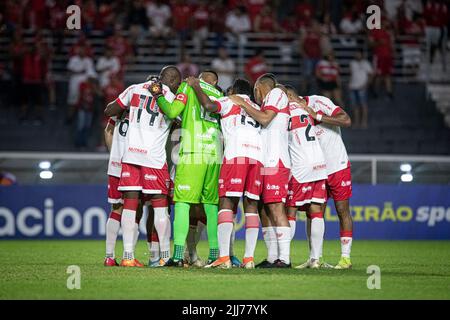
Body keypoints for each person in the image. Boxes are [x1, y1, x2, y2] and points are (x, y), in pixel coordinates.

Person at [104, 66, 181, 267]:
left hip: (130, 156)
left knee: (129, 205)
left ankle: (127, 257)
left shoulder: (134, 89)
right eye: (178, 83)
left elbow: (109, 110)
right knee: (160, 207)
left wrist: (127, 107)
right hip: (154, 159)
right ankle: (164, 256)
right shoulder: (171, 97)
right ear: (172, 81)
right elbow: (179, 123)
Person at [149, 70, 224, 267]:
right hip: (215, 154)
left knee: (182, 202)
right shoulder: (220, 95)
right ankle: (216, 254)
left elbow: (173, 111)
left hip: (193, 151)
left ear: (199, 78)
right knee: (211, 204)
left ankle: (178, 255)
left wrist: (158, 96)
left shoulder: (189, 86)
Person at [187, 78, 263, 269]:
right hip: (257, 157)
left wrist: (196, 85)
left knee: (226, 203)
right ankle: (248, 259)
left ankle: (223, 258)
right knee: (251, 205)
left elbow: (208, 104)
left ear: (235, 90)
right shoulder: (256, 107)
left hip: (236, 155)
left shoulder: (231, 100)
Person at [229, 74, 292, 268]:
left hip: (276, 161)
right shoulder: (265, 103)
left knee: (275, 207)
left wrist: (242, 103)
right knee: (263, 208)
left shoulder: (275, 93)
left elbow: (265, 119)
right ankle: (273, 257)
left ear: (259, 87)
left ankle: (285, 259)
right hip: (264, 162)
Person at [291, 91, 354, 269]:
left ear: (292, 95)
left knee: (342, 210)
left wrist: (316, 115)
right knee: (314, 212)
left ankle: (345, 258)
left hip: (337, 165)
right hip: (316, 169)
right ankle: (315, 258)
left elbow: (346, 120)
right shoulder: (289, 113)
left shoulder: (318, 101)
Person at [284, 85, 328, 269]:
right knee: (316, 211)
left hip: (300, 166)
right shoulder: (306, 109)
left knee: (290, 211)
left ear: (288, 96)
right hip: (319, 164)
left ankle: (283, 257)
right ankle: (315, 259)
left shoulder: (284, 112)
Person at [369, 19, 395, 99]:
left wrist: (392, 39)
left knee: (388, 74)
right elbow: (371, 44)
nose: (387, 23)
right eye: (385, 21)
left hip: (388, 57)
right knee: (378, 74)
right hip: (379, 56)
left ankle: (389, 93)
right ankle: (374, 91)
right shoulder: (375, 31)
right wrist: (379, 42)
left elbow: (392, 46)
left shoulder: (389, 32)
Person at [349, 51, 373, 129]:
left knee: (363, 105)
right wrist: (349, 83)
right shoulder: (352, 63)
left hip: (362, 87)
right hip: (353, 87)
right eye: (356, 54)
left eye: (359, 54)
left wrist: (366, 85)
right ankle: (356, 122)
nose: (357, 55)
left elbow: (371, 75)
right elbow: (351, 74)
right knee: (354, 106)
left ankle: (364, 122)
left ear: (362, 55)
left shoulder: (366, 63)